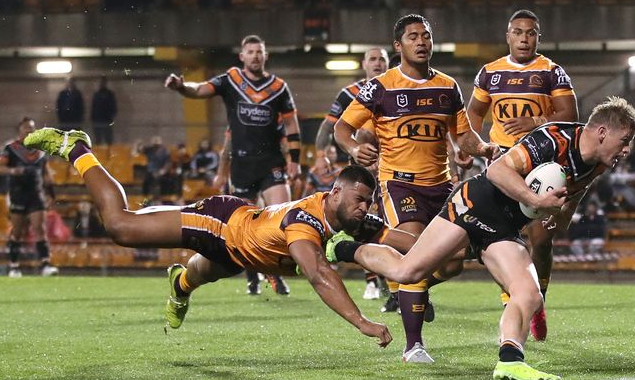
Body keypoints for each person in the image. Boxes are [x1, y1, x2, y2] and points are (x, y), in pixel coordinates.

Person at [327, 96, 635, 380]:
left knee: (529, 294)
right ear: (602, 131)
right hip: (476, 203)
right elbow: (497, 171)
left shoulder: (599, 162)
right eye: (625, 140)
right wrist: (536, 199)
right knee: (407, 272)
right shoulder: (553, 139)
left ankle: (510, 361)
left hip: (505, 226)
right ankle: (344, 248)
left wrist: (560, 215)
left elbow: (578, 189)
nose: (627, 150)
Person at [22, 127, 414, 349]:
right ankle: (76, 148)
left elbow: (394, 236)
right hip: (221, 224)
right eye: (360, 200)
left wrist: (457, 239)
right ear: (335, 194)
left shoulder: (349, 215)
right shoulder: (305, 223)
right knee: (121, 227)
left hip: (244, 251)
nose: (365, 208)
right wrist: (360, 322)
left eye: (368, 202)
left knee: (198, 276)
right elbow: (319, 275)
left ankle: (179, 284)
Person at [334, 14, 501, 363]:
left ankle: (399, 277)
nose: (422, 42)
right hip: (398, 184)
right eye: (413, 37)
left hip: (442, 185)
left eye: (426, 36)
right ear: (399, 46)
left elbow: (463, 135)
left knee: (454, 261)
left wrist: (482, 148)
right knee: (416, 253)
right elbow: (342, 128)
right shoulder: (379, 87)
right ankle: (414, 346)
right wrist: (352, 149)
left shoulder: (447, 86)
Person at [466, 9, 578, 342]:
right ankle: (515, 301)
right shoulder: (490, 73)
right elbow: (474, 113)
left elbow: (570, 115)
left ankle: (538, 301)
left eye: (530, 33)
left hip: (544, 162)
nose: (524, 38)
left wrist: (535, 122)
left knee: (541, 240)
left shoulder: (552, 72)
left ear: (537, 37)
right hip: (504, 163)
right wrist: (473, 144)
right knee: (503, 237)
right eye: (518, 32)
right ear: (508, 36)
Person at [165, 34, 301, 297]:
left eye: (259, 52)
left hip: (271, 162)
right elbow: (201, 89)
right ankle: (253, 277)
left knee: (283, 217)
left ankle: (275, 272)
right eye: (250, 52)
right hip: (241, 164)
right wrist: (182, 87)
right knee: (242, 227)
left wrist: (294, 161)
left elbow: (292, 125)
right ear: (242, 56)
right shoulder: (231, 80)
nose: (255, 56)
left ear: (265, 56)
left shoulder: (279, 87)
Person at [316, 46, 389, 301]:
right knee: (364, 224)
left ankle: (395, 282)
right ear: (364, 64)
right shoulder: (349, 93)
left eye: (382, 59)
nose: (378, 63)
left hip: (394, 170)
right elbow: (328, 128)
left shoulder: (397, 88)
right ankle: (373, 280)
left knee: (389, 227)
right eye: (373, 59)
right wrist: (320, 154)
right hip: (361, 175)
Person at [0, 117, 59, 277]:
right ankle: (14, 266)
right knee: (17, 231)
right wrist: (13, 171)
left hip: (36, 194)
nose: (29, 130)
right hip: (18, 193)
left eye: (32, 127)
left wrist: (51, 193)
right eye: (26, 128)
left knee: (40, 229)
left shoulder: (40, 151)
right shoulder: (11, 149)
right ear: (19, 130)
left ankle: (45, 264)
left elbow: (46, 173)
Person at [90, 76, 117, 145]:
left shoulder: (109, 94)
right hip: (98, 121)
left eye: (102, 82)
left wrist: (110, 116)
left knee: (108, 140)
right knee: (98, 141)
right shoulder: (97, 94)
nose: (101, 84)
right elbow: (93, 107)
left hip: (106, 120)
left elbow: (113, 107)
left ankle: (108, 155)